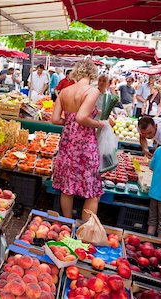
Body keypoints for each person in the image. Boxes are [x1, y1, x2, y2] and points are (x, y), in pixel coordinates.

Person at [51, 59, 105, 220]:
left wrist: (69, 122)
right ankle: (84, 231)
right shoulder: (92, 91)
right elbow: (82, 117)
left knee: (67, 187)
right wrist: (99, 124)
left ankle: (67, 223)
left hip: (67, 143)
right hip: (85, 145)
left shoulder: (64, 92)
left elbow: (55, 120)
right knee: (92, 191)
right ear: (93, 74)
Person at [147, 145, 161, 239]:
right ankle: (159, 246)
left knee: (152, 219)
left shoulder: (159, 150)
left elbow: (151, 167)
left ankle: (148, 241)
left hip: (154, 192)